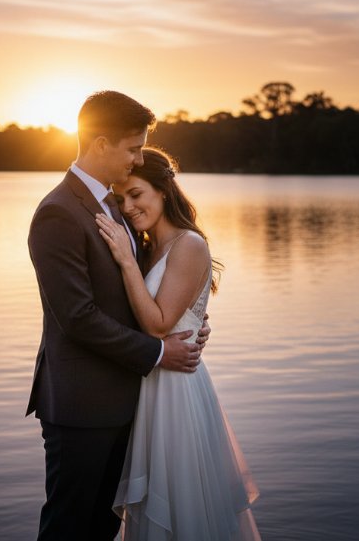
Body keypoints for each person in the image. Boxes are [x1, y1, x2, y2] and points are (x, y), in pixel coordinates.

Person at [27, 91, 211, 541]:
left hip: (130, 402)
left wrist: (188, 319)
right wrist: (158, 352)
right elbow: (79, 317)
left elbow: (145, 290)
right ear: (101, 144)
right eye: (133, 148)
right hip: (81, 405)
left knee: (103, 529)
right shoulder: (59, 213)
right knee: (68, 529)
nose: (139, 157)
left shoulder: (115, 206)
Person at [97, 147, 261, 540]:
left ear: (163, 191)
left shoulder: (189, 245)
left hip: (177, 391)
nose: (129, 207)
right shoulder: (148, 248)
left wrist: (123, 260)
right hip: (150, 385)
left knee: (181, 505)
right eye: (121, 200)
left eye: (137, 194)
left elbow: (157, 325)